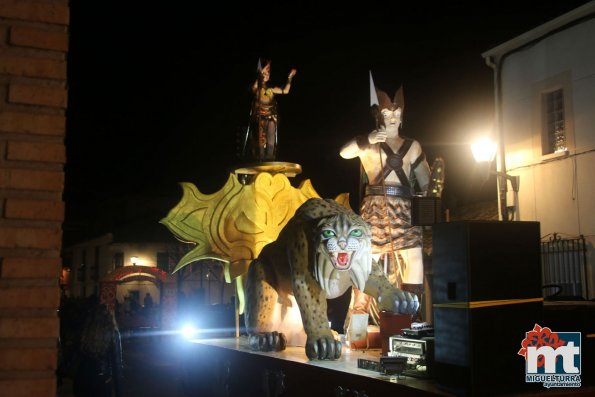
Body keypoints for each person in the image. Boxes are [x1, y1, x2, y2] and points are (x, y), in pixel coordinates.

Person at [339, 76, 431, 319]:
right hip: (375, 206)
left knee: (414, 254)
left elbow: (426, 180)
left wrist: (429, 195)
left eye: (396, 114)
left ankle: (411, 309)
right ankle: (359, 312)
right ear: (379, 116)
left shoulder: (413, 146)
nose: (393, 119)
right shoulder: (369, 144)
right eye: (388, 115)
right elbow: (344, 152)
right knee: (368, 258)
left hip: (404, 207)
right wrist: (367, 139)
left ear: (402, 115)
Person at [247, 60, 296, 161]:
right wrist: (262, 71)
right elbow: (255, 85)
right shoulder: (257, 88)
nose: (266, 75)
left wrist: (290, 78)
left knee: (271, 128)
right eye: (264, 73)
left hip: (270, 115)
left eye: (268, 73)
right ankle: (260, 156)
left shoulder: (271, 89)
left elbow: (285, 91)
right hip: (259, 117)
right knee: (260, 134)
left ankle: (269, 156)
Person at [73, 297, 123, 397]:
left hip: (82, 377)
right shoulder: (113, 334)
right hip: (102, 379)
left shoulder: (85, 331)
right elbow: (116, 364)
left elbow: (77, 355)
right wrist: (118, 392)